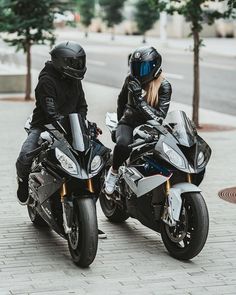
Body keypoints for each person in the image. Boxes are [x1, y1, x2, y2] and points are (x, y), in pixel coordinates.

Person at [16, 41, 107, 238]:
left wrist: (84, 124)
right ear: (61, 62)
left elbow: (82, 106)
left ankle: (87, 219)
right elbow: (50, 112)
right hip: (45, 125)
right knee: (25, 154)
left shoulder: (74, 79)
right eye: (75, 62)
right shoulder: (46, 81)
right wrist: (62, 126)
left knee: (99, 158)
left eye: (80, 62)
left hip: (74, 127)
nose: (79, 66)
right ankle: (23, 183)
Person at [105, 46, 172, 195]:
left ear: (155, 67)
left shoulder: (164, 86)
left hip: (152, 127)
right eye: (135, 67)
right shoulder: (130, 80)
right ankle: (114, 172)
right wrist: (118, 124)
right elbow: (121, 102)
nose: (138, 72)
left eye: (143, 68)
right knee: (123, 146)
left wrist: (139, 100)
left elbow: (159, 117)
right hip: (128, 122)